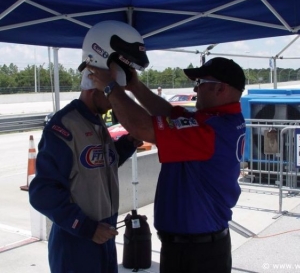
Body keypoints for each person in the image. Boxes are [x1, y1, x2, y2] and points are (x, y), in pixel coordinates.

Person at [88, 56, 246, 273]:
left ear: (220, 89)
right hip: (195, 247)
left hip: (196, 255)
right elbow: (169, 113)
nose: (195, 89)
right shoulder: (217, 121)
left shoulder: (210, 131)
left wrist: (111, 87)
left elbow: (141, 128)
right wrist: (135, 86)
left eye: (200, 84)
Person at [29, 20, 148, 273]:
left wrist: (127, 143)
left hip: (103, 234)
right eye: (112, 92)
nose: (117, 100)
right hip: (77, 241)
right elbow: (42, 191)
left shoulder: (97, 122)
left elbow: (100, 161)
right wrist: (85, 227)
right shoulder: (64, 126)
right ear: (95, 85)